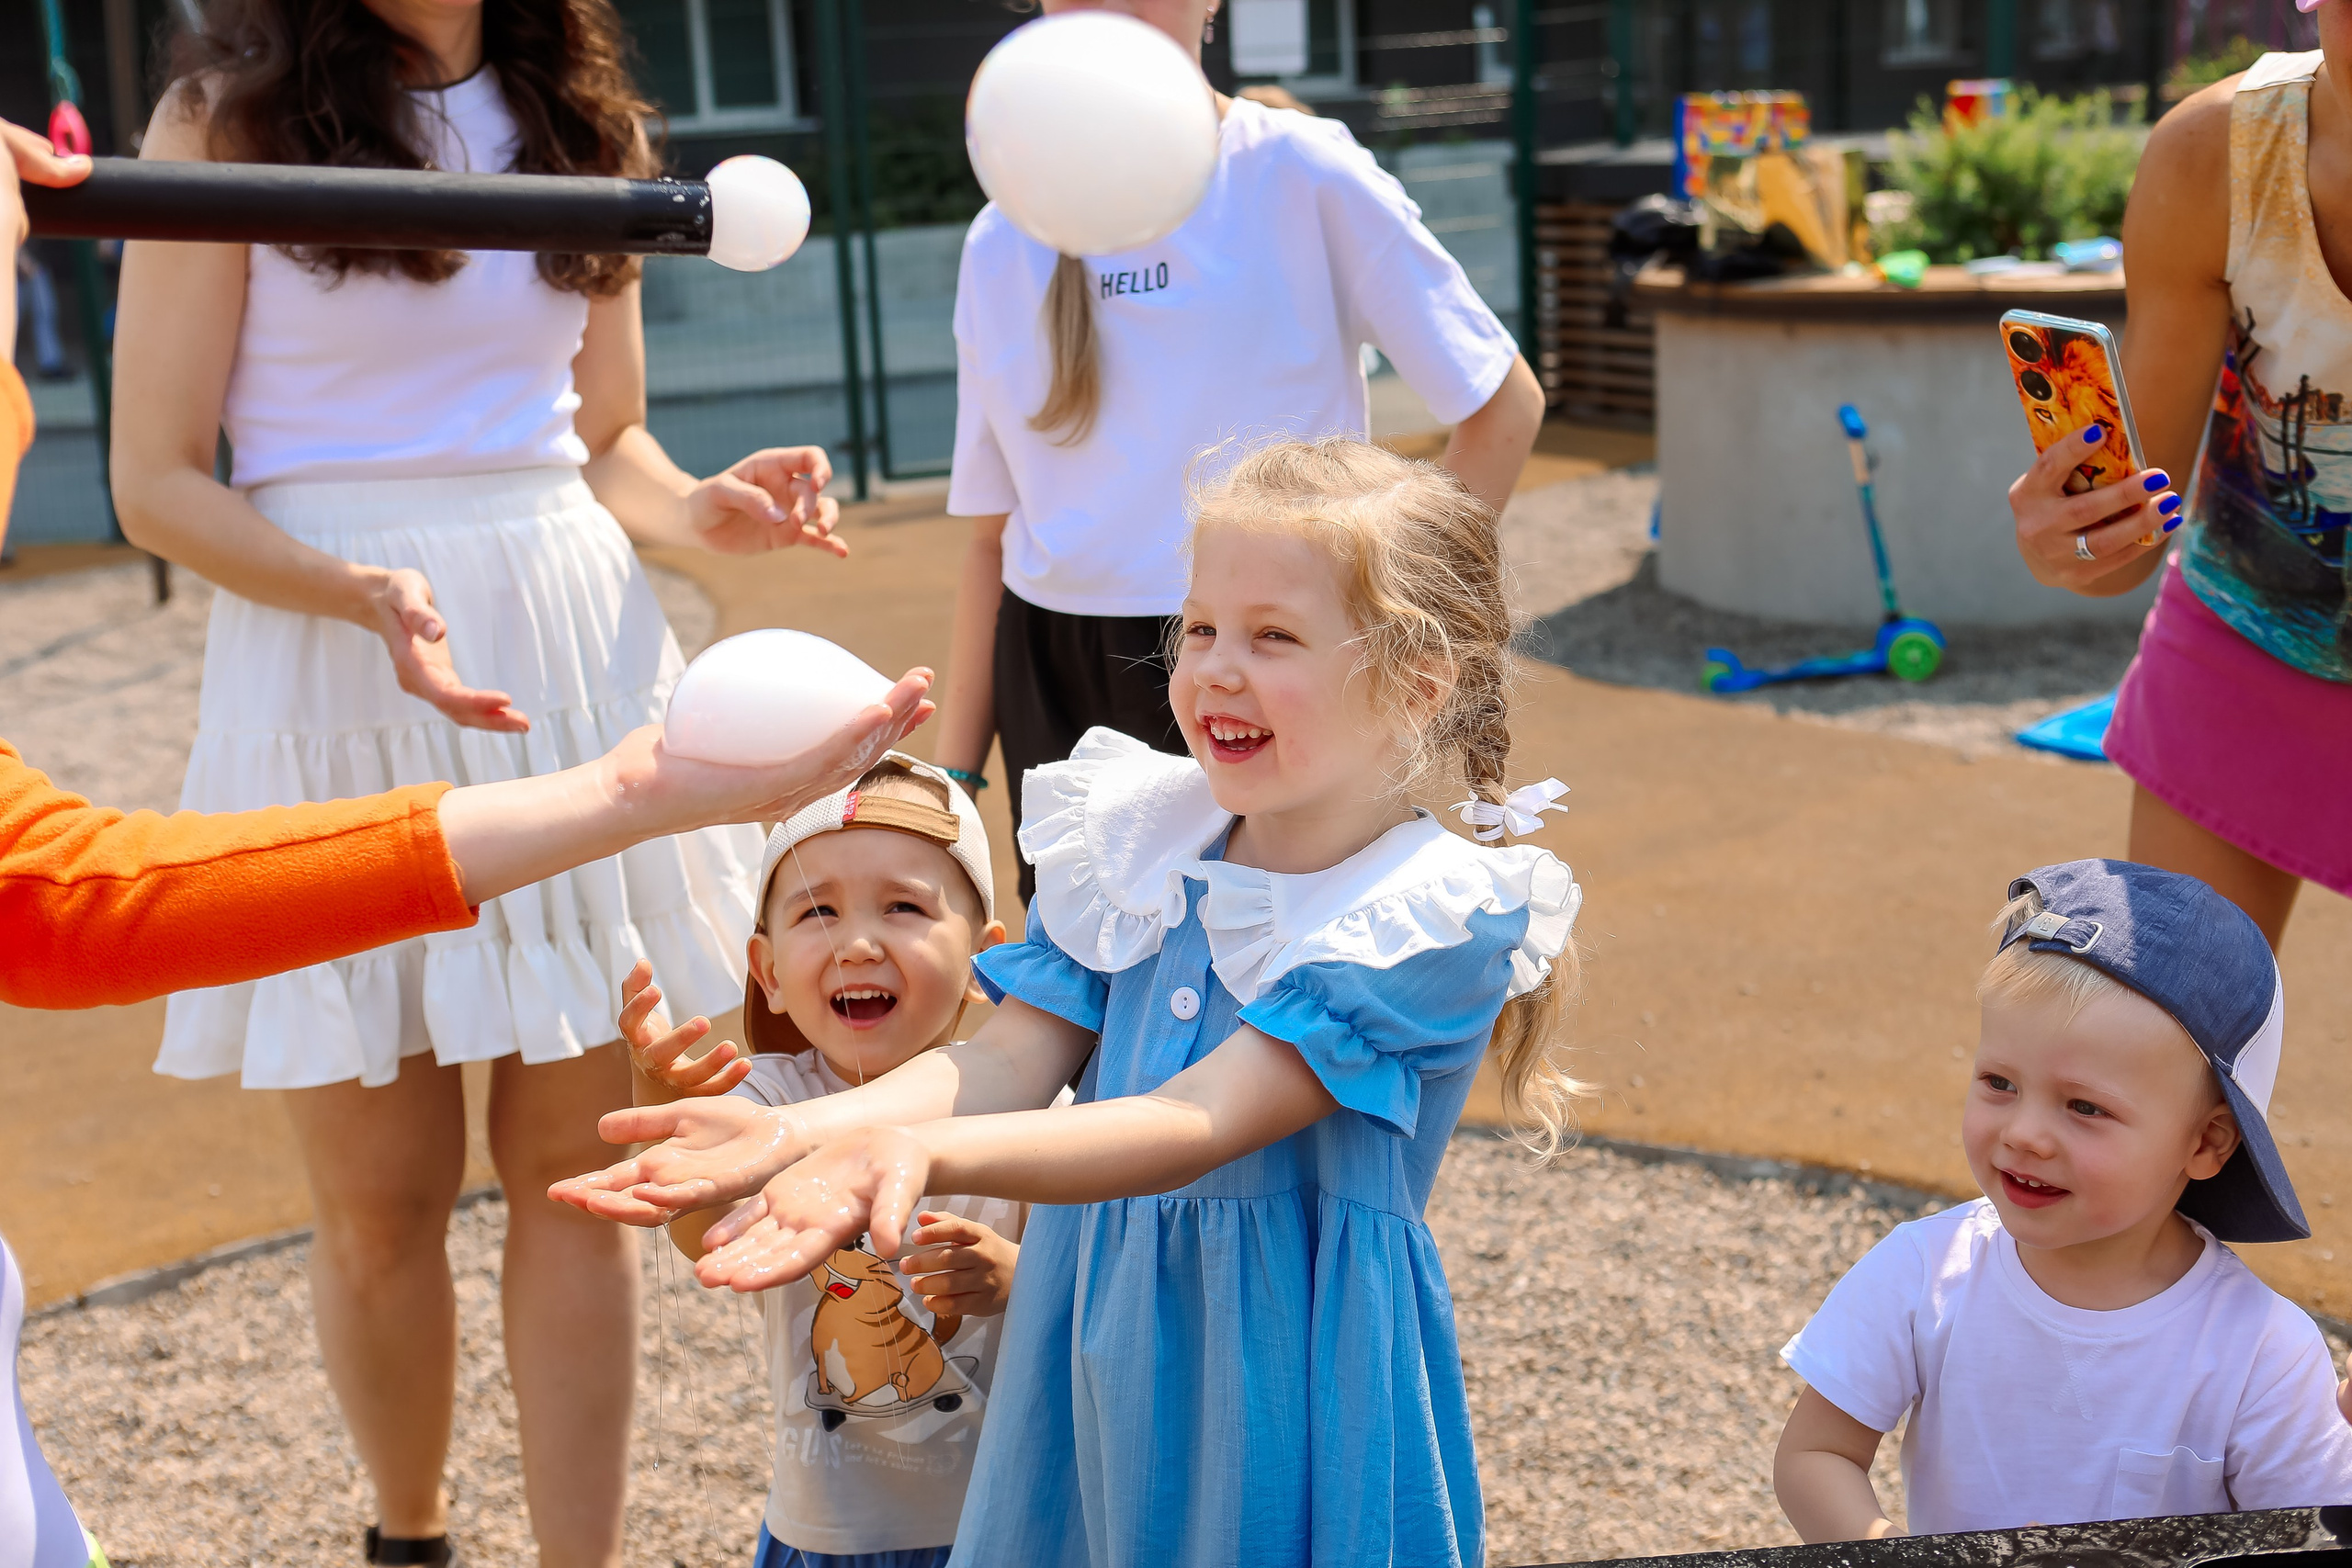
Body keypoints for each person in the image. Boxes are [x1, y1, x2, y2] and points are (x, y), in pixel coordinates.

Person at [0, 117, 933, 1568]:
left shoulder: (587, 113)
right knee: (378, 1189)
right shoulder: (221, 113)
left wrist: (699, 506)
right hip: (329, 651)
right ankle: (409, 1536)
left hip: (567, 630)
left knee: (579, 1169)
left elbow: (605, 434)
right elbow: (154, 479)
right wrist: (353, 588)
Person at [553, 438, 1584, 1567]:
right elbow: (1002, 1062)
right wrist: (786, 1131)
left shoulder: (1423, 915)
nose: (1214, 671)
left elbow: (1193, 1123)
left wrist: (913, 1156)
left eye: (1272, 636)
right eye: (1198, 628)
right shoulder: (1140, 842)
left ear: (1415, 682)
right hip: (1089, 1343)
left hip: (1279, 1377)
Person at [932, 0, 1546, 901]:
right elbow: (992, 541)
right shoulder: (1000, 237)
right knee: (1083, 1013)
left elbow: (1502, 409)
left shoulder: (1296, 171)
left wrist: (1373, 627)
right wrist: (950, 784)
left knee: (1287, 1003)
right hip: (1052, 672)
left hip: (1274, 665)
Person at [1773, 860, 2352, 1541]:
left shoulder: (2260, 1353)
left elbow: (2313, 1537)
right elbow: (1815, 1453)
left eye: (2084, 1105)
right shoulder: (1925, 1272)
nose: (2024, 1133)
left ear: (2205, 1141)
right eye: (1999, 1082)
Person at [621, 754, 1050, 1568]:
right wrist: (658, 1094)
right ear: (768, 971)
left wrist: (1016, 1275)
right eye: (819, 911)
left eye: (903, 906)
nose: (857, 942)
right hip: (828, 1527)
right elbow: (704, 1230)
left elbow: (1099, 1291)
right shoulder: (771, 1103)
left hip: (1005, 1523)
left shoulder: (1031, 1109)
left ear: (986, 960)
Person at [2005, 19, 2352, 953]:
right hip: (2248, 632)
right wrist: (2078, 538)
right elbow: (2127, 541)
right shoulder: (2213, 154)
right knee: (2165, 1049)